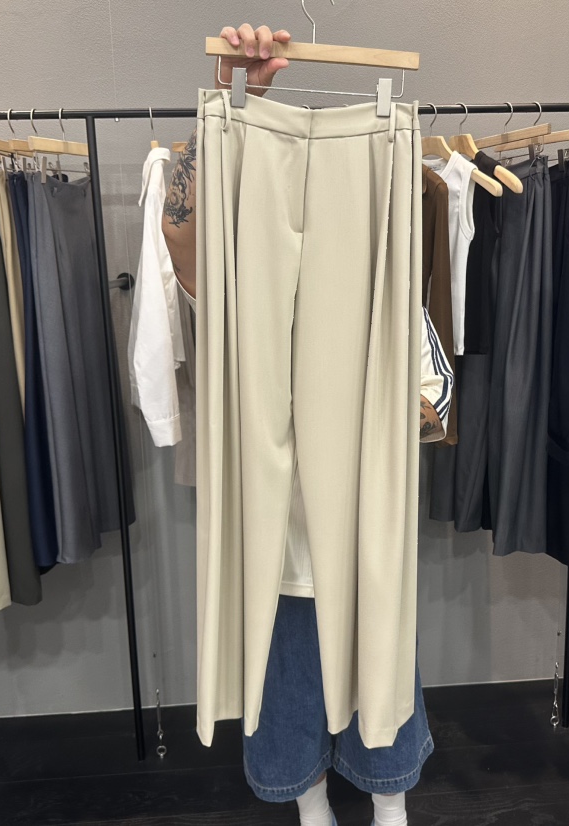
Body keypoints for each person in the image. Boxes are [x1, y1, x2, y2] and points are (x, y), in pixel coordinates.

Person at [162, 24, 453, 826]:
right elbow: (184, 240)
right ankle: (311, 807)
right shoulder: (237, 279)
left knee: (381, 697)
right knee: (287, 703)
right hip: (278, 551)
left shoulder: (385, 285)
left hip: (361, 546)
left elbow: (434, 406)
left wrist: (373, 402)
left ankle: (388, 804)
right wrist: (233, 106)